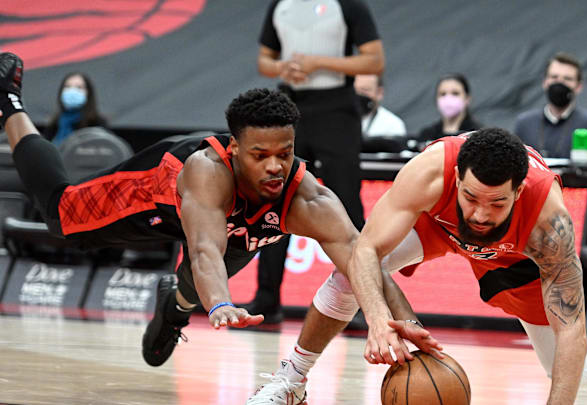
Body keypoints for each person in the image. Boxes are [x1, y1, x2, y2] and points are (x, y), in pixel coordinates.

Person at [0, 54, 366, 399]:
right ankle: (9, 102)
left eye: (283, 154)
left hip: (228, 223)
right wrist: (220, 302)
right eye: (260, 155)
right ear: (237, 148)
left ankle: (175, 307)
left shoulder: (309, 195)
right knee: (61, 215)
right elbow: (205, 250)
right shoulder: (207, 170)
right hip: (160, 195)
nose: (274, 166)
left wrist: (392, 322)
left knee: (194, 287)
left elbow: (362, 260)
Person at [252, 127, 587, 404]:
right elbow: (364, 249)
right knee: (349, 274)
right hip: (436, 225)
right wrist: (378, 319)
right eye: (471, 197)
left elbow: (572, 323)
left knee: (560, 360)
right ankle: (292, 379)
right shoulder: (430, 171)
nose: (481, 214)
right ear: (456, 176)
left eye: (497, 202)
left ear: (519, 190)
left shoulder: (548, 219)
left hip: (513, 253)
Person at [250, 0, 385, 323]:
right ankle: (267, 300)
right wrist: (282, 68)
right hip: (289, 105)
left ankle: (362, 302)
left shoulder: (349, 5)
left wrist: (319, 63)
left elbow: (374, 60)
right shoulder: (280, 5)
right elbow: (264, 60)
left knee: (347, 205)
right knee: (274, 201)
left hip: (335, 108)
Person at [514, 52, 587, 161]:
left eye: (567, 79)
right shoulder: (524, 124)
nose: (559, 83)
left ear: (579, 86)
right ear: (545, 82)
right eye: (554, 77)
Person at [415, 73, 482, 144]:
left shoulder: (477, 135)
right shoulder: (426, 135)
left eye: (455, 93)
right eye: (443, 94)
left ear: (467, 98)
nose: (448, 98)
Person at [43, 72, 107, 145]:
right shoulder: (54, 123)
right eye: (67, 86)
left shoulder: (97, 123)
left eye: (79, 87)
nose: (72, 91)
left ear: (88, 92)